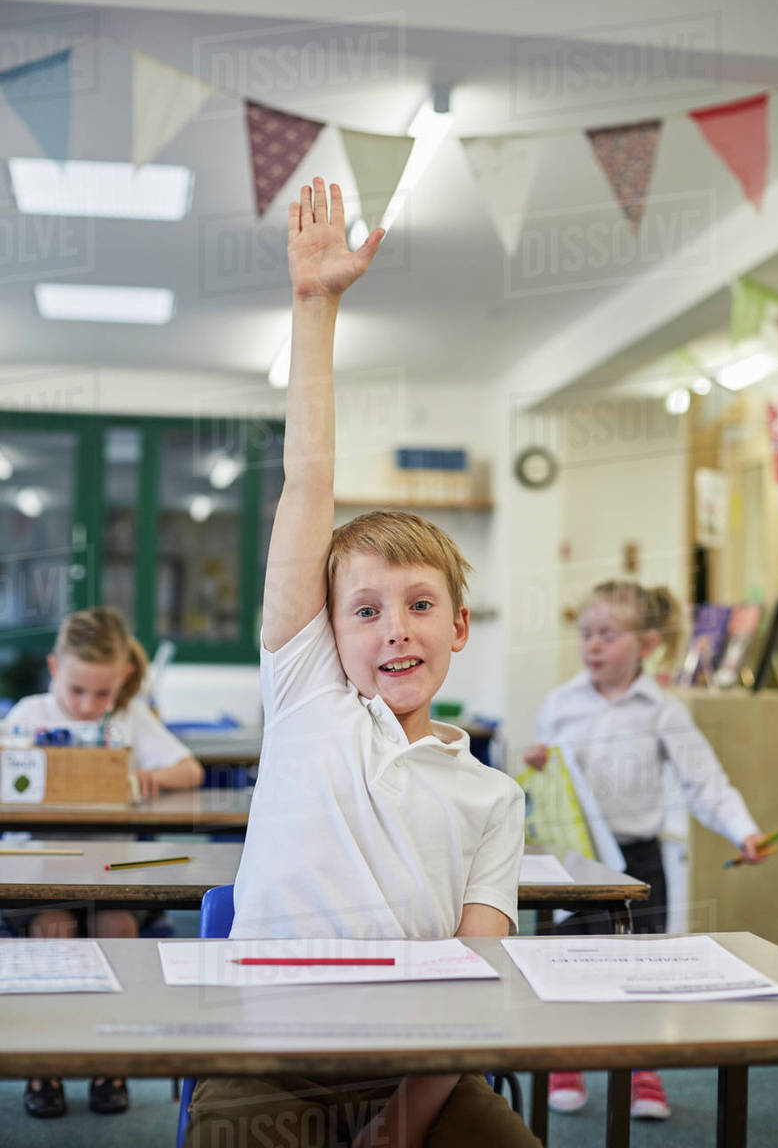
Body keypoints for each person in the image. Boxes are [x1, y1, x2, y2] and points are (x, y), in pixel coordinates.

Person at [185, 179, 537, 1148]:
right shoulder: (305, 698)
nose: (395, 631)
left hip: (414, 1062)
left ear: (459, 627)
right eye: (367, 611)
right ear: (325, 634)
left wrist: (397, 1126)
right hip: (267, 1056)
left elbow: (476, 980)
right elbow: (308, 480)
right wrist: (314, 308)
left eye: (420, 607)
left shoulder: (491, 801)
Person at [524, 580, 764, 1122]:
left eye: (608, 634)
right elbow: (550, 779)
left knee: (640, 964)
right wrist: (539, 762)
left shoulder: (662, 710)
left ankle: (639, 1068)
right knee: (565, 964)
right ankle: (565, 1059)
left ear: (647, 644)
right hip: (573, 858)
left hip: (638, 860)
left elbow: (704, 783)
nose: (594, 645)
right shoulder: (560, 703)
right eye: (587, 634)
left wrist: (743, 831)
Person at [5, 606, 205, 1119]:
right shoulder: (29, 715)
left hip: (114, 871)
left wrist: (146, 780)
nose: (89, 704)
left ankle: (109, 1062)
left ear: (124, 681)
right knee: (52, 929)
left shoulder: (129, 717)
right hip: (39, 870)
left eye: (102, 692)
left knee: (116, 928)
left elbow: (191, 769)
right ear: (54, 668)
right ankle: (42, 1062)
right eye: (76, 690)